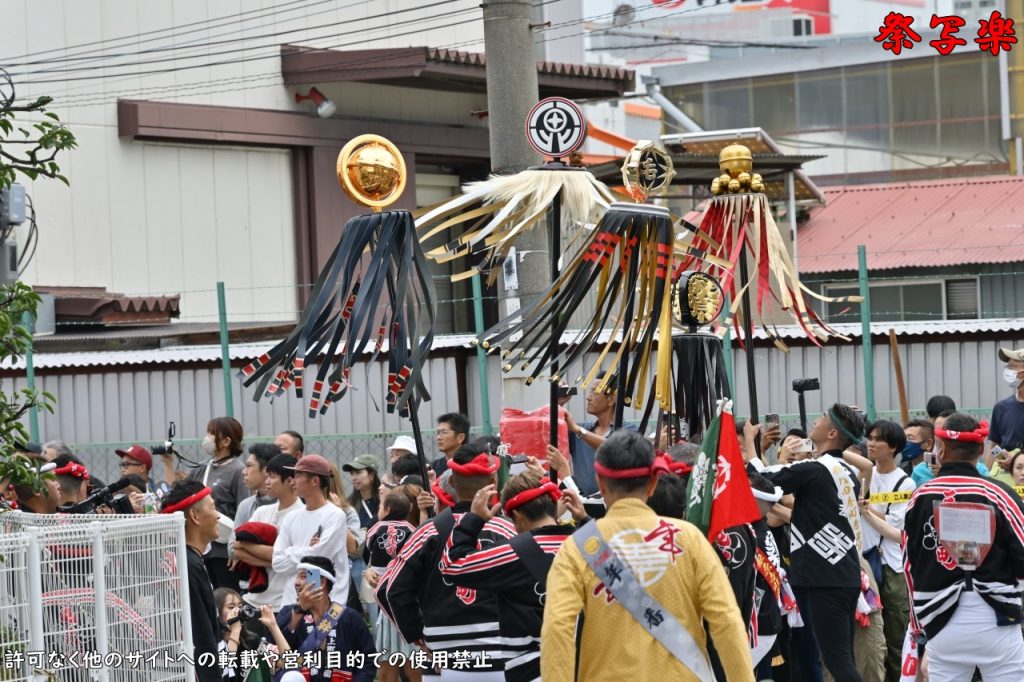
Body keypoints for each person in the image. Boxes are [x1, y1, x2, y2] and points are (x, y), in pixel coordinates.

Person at [542, 431, 753, 682]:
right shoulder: (690, 539)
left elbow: (558, 629)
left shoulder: (576, 548)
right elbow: (726, 621)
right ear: (653, 482)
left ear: (600, 481)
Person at [377, 443, 516, 680]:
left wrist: (418, 637)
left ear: (451, 483)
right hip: (501, 655)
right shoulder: (509, 531)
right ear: (493, 482)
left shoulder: (426, 533)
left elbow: (388, 590)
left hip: (441, 658)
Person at [903, 412, 1024, 682]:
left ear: (941, 449)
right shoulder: (1001, 494)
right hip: (997, 619)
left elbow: (909, 567)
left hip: (940, 621)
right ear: (981, 449)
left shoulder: (920, 497)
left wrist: (917, 629)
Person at [750, 404, 867, 682]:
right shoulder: (848, 471)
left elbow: (763, 482)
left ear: (832, 432)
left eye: (822, 419)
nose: (815, 421)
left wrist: (753, 448)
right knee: (841, 657)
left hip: (824, 577)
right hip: (843, 574)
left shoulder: (816, 468)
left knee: (837, 661)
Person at [441, 472, 579, 682]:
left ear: (519, 516)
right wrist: (585, 520)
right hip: (587, 666)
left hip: (533, 669)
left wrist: (474, 519)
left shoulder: (512, 552)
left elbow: (452, 565)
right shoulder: (590, 546)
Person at [259, 556, 375, 682]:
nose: (296, 583)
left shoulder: (349, 617)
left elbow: (369, 660)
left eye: (303, 577)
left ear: (322, 582)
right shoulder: (289, 613)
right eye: (297, 577)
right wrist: (300, 609)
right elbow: (276, 648)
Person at [859, 420, 915, 682]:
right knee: (866, 634)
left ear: (893, 447)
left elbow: (897, 534)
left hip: (890, 567)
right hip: (861, 563)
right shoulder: (861, 473)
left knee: (895, 636)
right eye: (869, 437)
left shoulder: (904, 484)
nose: (871, 443)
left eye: (878, 439)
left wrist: (866, 510)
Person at [169, 417, 249, 591]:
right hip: (200, 547)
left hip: (223, 551)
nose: (207, 438)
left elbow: (244, 511)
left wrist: (238, 548)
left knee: (226, 594)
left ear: (226, 441)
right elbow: (177, 496)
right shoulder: (202, 468)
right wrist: (168, 463)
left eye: (212, 433)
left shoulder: (238, 470)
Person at [160, 480, 223, 681]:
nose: (218, 515)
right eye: (213, 508)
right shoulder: (188, 564)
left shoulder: (181, 557)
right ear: (195, 516)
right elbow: (200, 631)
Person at [272, 455, 352, 607]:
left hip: (329, 603)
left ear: (315, 481)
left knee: (328, 631)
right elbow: (277, 563)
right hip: (292, 602)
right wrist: (308, 550)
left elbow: (319, 560)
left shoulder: (335, 515)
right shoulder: (291, 517)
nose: (292, 481)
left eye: (297, 475)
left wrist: (290, 551)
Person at [363, 492, 420, 682]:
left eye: (380, 507)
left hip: (395, 604)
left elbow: (367, 551)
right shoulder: (413, 529)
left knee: (394, 668)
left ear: (386, 510)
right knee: (408, 666)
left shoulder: (376, 528)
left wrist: (372, 568)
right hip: (401, 602)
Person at [237, 454, 301, 613]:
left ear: (290, 481)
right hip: (253, 599)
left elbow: (295, 560)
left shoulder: (301, 515)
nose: (266, 482)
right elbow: (237, 548)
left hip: (284, 603)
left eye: (272, 477)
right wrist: (276, 560)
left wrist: (250, 547)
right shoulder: (262, 512)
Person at [564, 379, 637, 496]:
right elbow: (550, 430)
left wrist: (579, 431)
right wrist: (559, 403)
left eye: (594, 392)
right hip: (582, 507)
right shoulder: (581, 429)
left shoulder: (629, 431)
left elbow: (614, 448)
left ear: (611, 400)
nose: (588, 397)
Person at [229, 443, 278, 573]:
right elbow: (232, 549)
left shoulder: (288, 505)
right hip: (249, 586)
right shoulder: (246, 505)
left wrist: (243, 546)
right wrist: (273, 560)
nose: (244, 471)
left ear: (267, 470)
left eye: (249, 466)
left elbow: (285, 556)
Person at [912, 411, 989, 486]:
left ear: (943, 447)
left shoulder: (981, 470)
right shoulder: (920, 470)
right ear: (981, 448)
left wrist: (947, 474)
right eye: (937, 429)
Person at [989, 347, 1024, 466]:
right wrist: (1003, 458)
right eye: (1008, 367)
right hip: (1005, 480)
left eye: (1013, 366)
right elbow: (995, 446)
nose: (1008, 371)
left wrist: (1016, 461)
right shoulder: (1001, 407)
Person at [214, 587, 249, 677]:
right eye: (231, 607)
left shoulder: (250, 640)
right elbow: (225, 668)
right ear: (217, 612)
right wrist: (235, 631)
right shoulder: (213, 643)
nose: (238, 611)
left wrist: (273, 626)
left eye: (240, 607)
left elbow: (285, 661)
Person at [431, 413, 470, 477]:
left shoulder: (472, 463)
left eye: (444, 432)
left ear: (460, 437)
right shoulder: (435, 466)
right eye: (438, 433)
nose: (438, 437)